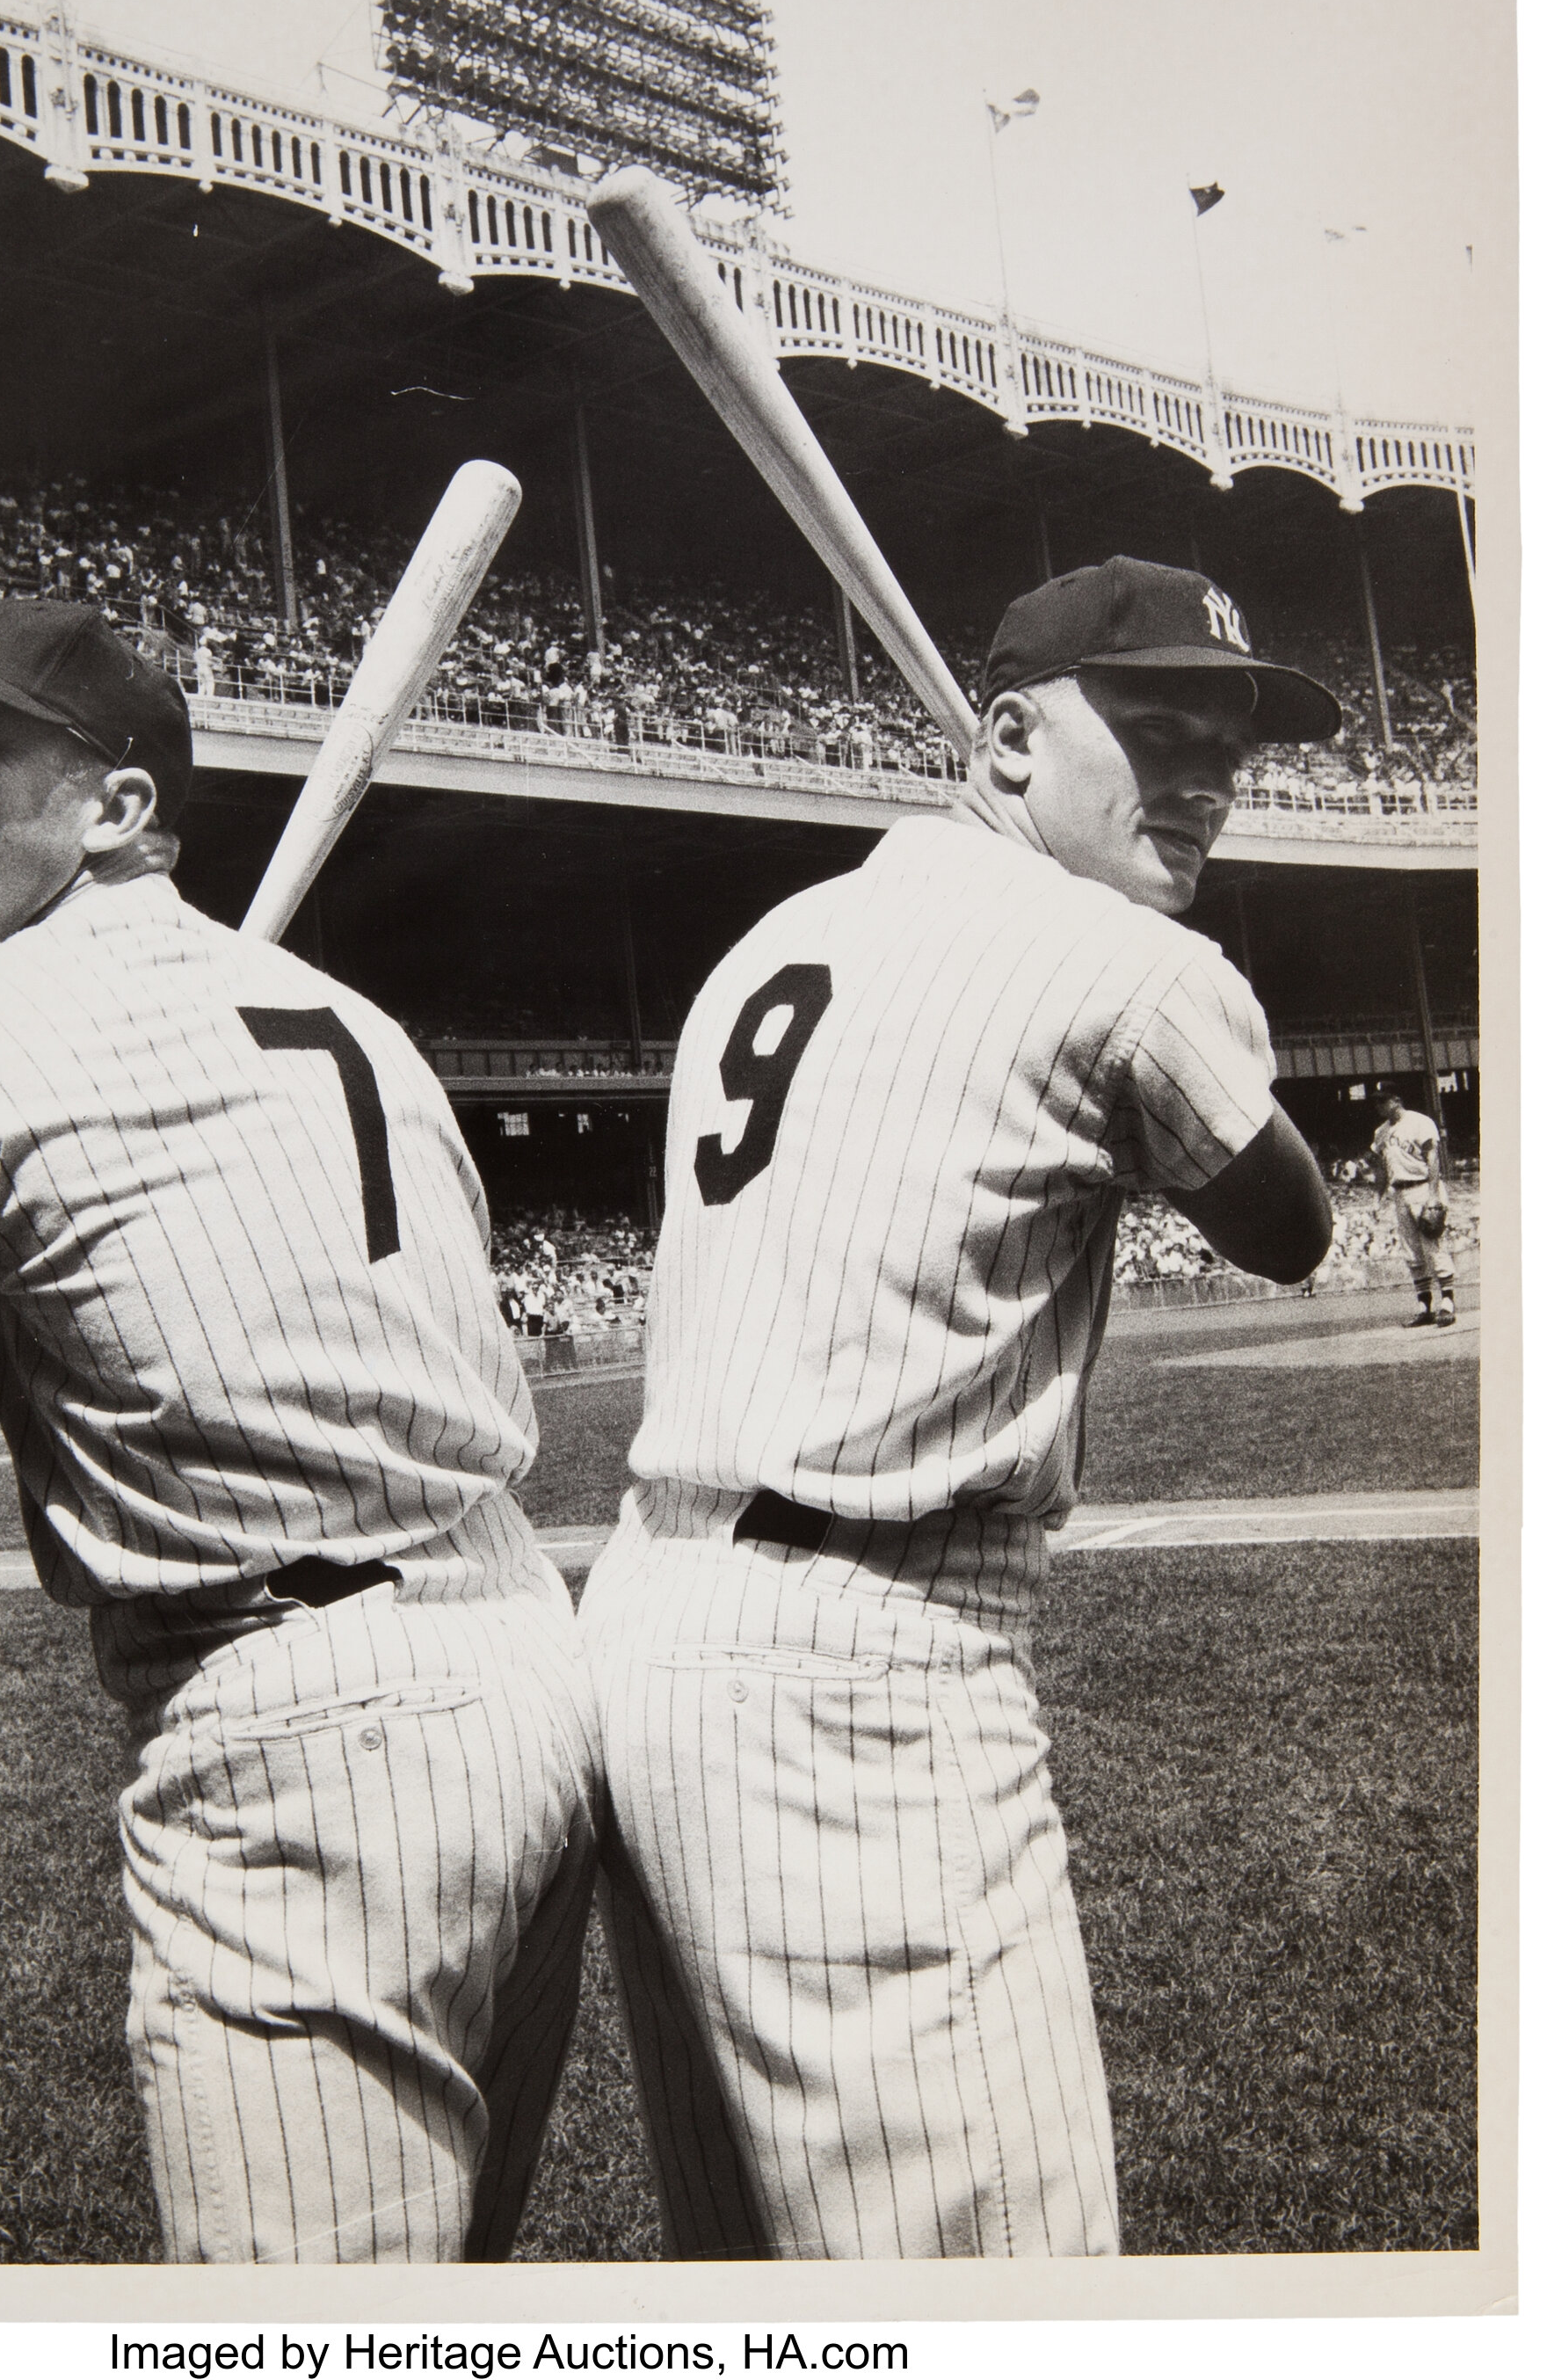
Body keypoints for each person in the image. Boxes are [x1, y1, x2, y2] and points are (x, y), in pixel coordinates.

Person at [0, 600, 597, 2264]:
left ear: (117, 809)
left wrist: (11, 1339)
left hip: (294, 1730)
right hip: (535, 1667)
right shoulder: (352, 1022)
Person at [581, 556, 1340, 2261]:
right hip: (868, 1673)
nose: (1204, 773)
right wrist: (1165, 974)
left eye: (1226, 739)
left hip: (647, 1631)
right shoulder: (1125, 964)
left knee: (768, 2288)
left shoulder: (774, 941)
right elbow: (1284, 1225)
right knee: (1002, 2295)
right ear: (998, 742)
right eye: (1152, 725)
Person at [1368, 1088, 1456, 1325]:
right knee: (1412, 1252)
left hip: (1423, 1187)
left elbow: (1433, 1159)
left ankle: (1447, 1303)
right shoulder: (1381, 1132)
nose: (1379, 1106)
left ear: (1397, 1099)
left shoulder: (1419, 1122)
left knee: (1433, 1246)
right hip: (1400, 1193)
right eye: (1376, 1102)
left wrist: (1433, 1195)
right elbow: (1381, 1169)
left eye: (1383, 1101)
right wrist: (1378, 1199)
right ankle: (1425, 1307)